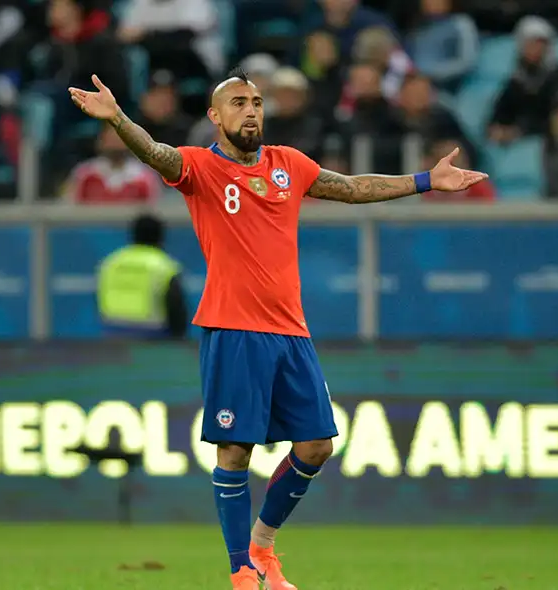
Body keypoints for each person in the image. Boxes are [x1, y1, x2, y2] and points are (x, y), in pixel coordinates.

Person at [68, 68, 487, 590]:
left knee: (316, 445)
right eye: (239, 102)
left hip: (291, 331)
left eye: (258, 102)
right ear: (215, 116)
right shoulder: (200, 168)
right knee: (236, 451)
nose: (251, 110)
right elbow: (156, 153)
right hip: (232, 327)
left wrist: (427, 180)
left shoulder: (289, 164)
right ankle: (239, 569)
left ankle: (263, 547)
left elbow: (353, 188)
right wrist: (120, 119)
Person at [97, 214, 188, 339]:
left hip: (112, 333)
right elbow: (176, 308)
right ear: (160, 237)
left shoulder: (111, 262)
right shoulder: (165, 266)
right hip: (153, 335)